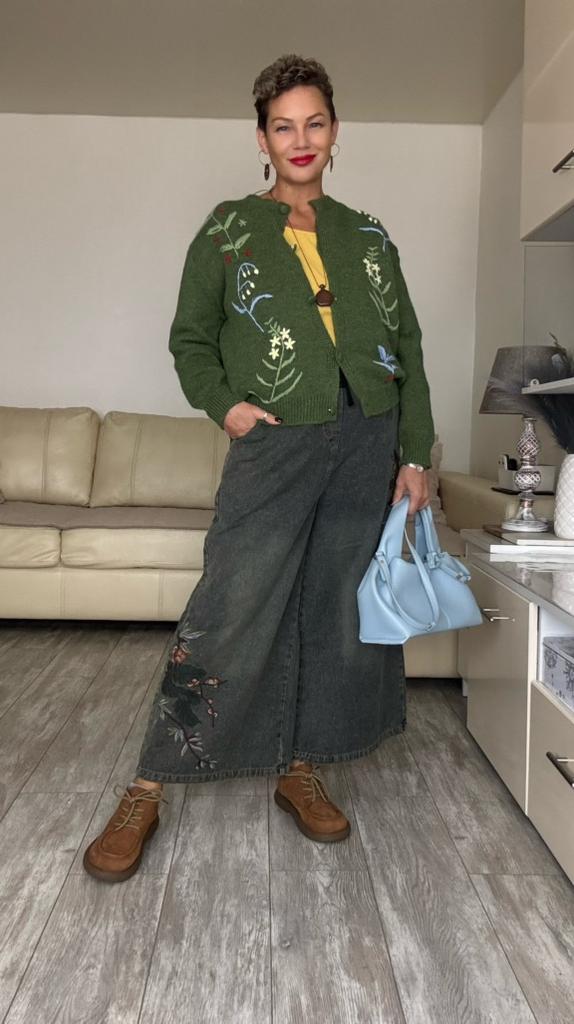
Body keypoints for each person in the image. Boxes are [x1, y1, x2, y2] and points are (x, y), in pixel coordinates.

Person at [83, 53, 434, 883]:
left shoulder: (369, 235)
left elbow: (409, 348)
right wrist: (227, 407)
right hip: (277, 441)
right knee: (230, 605)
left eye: (315, 123)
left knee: (330, 608)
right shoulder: (228, 229)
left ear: (336, 133)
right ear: (262, 139)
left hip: (366, 442)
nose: (300, 139)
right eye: (284, 126)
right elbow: (190, 340)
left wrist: (415, 452)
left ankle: (298, 768)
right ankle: (148, 785)